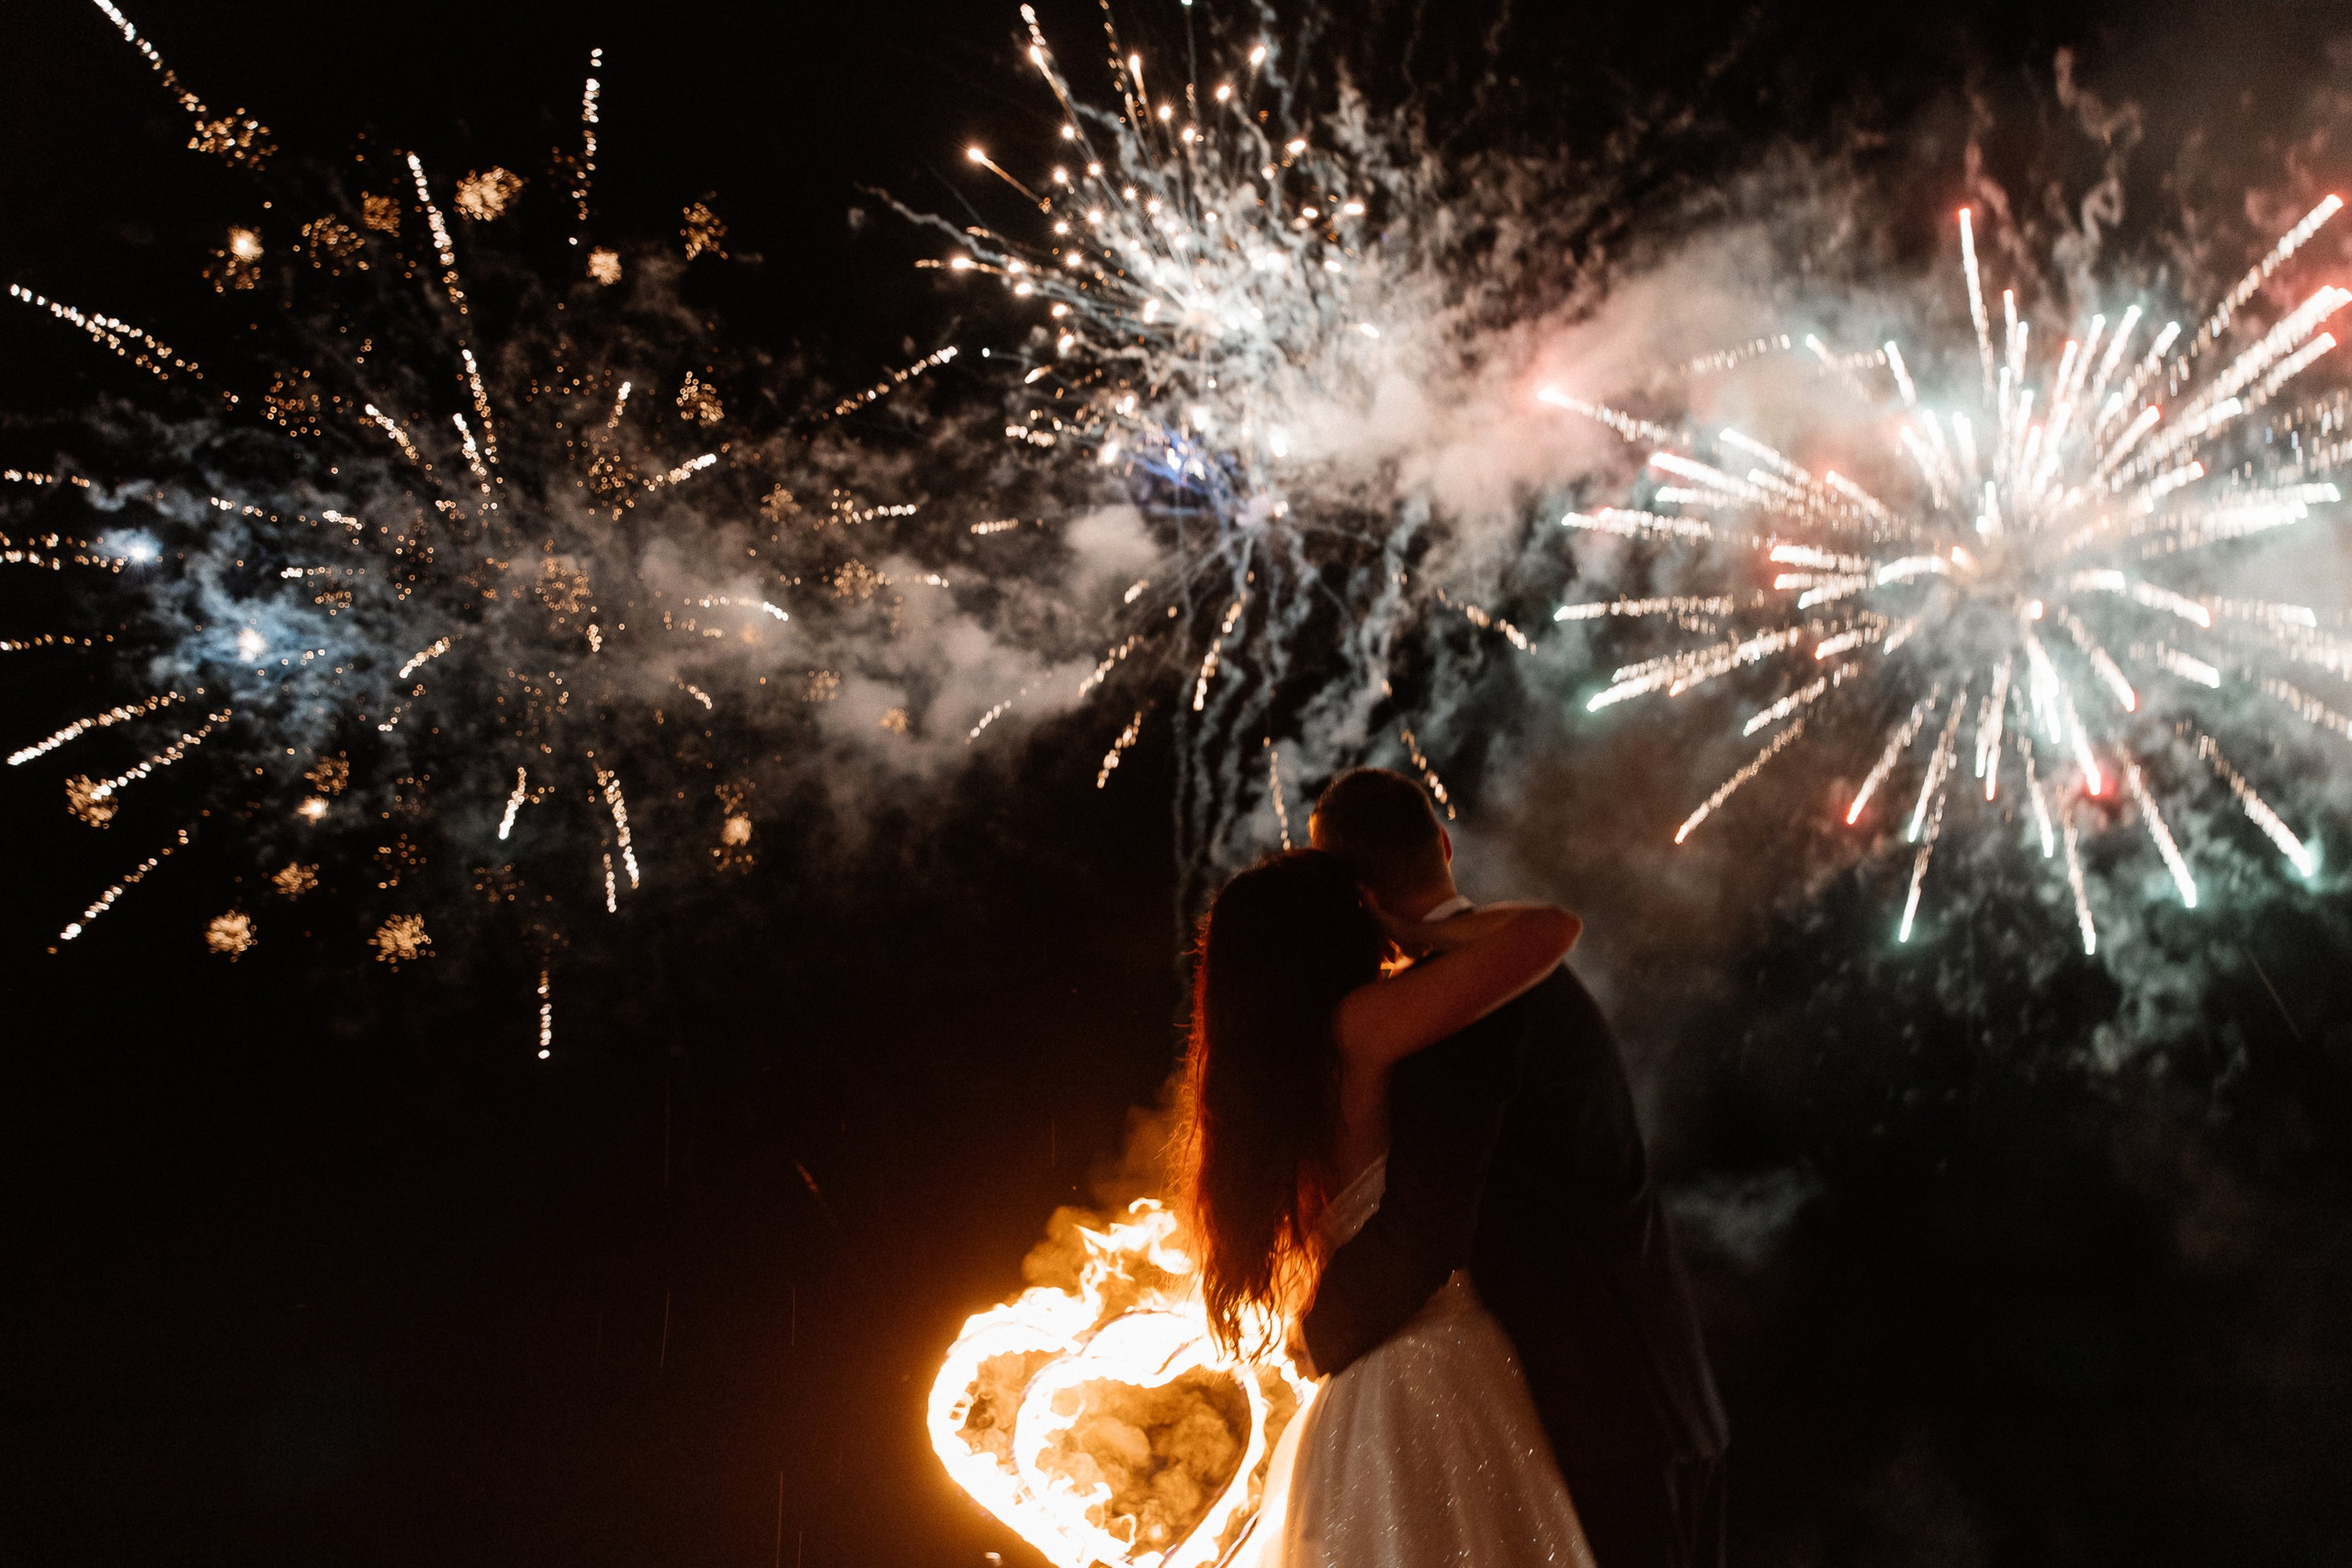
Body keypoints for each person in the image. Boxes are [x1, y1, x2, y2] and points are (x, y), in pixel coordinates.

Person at [1301, 767, 1730, 1568]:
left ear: (1351, 896)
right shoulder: (1535, 969)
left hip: (1590, 1415)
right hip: (1665, 1390)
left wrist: (1313, 1332)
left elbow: (1423, 1231)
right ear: (1443, 844)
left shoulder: (1448, 1012)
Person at [1182, 847, 1595, 1567]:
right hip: (1434, 1369)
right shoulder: (1356, 1028)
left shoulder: (1258, 1080)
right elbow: (1549, 930)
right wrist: (1412, 928)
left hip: (1353, 1400)